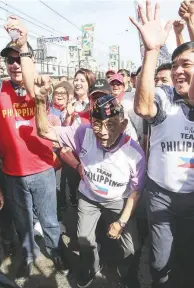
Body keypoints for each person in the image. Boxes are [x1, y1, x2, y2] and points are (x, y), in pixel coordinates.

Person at [32, 75, 145, 288]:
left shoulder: (134, 151)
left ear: (123, 124)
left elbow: (137, 191)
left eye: (111, 125)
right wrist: (39, 101)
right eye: (97, 125)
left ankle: (127, 274)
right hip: (89, 196)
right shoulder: (83, 132)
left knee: (131, 247)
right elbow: (44, 131)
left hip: (118, 199)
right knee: (84, 239)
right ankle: (92, 266)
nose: (103, 133)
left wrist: (121, 222)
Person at [0, 11, 68, 277]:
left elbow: (32, 85)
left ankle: (57, 254)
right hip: (12, 175)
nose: (13, 65)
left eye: (18, 60)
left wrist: (24, 47)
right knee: (23, 223)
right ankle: (27, 258)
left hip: (42, 170)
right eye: (8, 60)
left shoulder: (38, 86)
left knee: (48, 221)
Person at [130, 1, 194, 287]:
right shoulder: (166, 95)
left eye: (186, 65)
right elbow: (144, 107)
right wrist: (153, 51)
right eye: (175, 65)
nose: (178, 71)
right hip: (160, 197)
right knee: (159, 263)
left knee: (187, 259)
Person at [109, 73, 140, 142]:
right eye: (113, 84)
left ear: (123, 86)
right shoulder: (107, 101)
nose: (115, 86)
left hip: (133, 137)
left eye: (118, 84)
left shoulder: (131, 97)